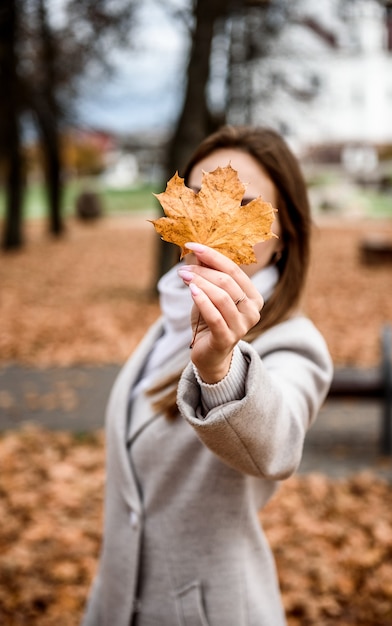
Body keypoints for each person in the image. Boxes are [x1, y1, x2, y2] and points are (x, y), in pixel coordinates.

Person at [81, 125, 333, 626]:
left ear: (284, 242)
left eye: (244, 205)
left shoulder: (293, 343)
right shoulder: (171, 318)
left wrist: (220, 366)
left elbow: (277, 447)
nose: (210, 218)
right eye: (195, 198)